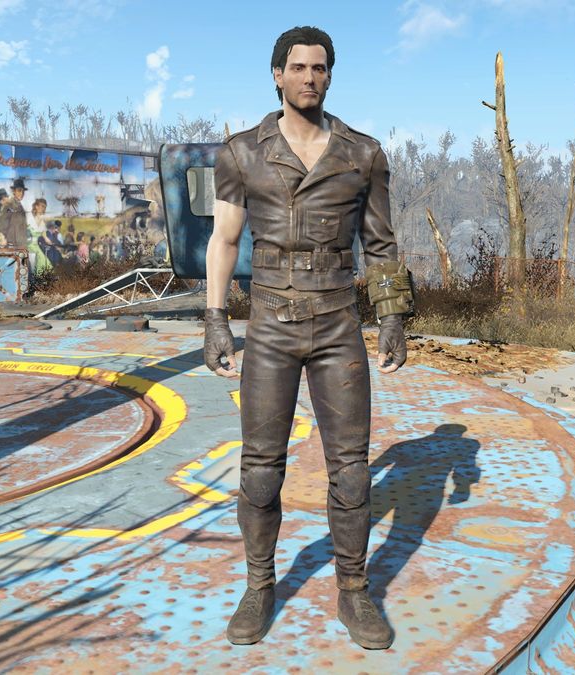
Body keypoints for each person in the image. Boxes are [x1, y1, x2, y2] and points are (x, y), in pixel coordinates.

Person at [204, 25, 413, 650]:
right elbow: (225, 239)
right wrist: (215, 318)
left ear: (330, 75)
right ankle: (259, 586)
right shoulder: (242, 153)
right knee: (260, 472)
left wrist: (393, 316)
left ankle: (354, 590)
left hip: (338, 323)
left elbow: (380, 244)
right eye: (297, 67)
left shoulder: (362, 154)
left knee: (351, 472)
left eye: (319, 68)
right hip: (269, 326)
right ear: (277, 75)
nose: (309, 78)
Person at [0, 178, 29, 247]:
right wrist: (2, 239)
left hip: (20, 245)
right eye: (19, 190)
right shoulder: (9, 204)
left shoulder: (20, 206)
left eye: (23, 191)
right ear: (14, 191)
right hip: (11, 245)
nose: (21, 193)